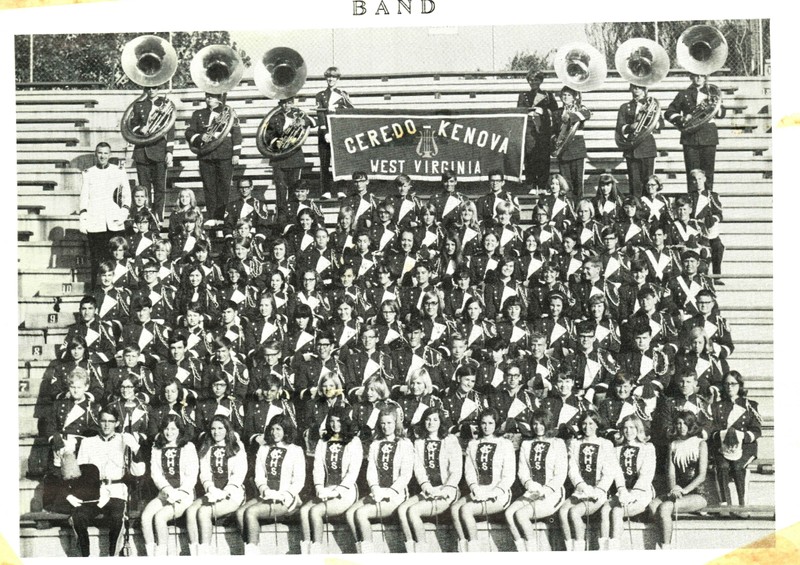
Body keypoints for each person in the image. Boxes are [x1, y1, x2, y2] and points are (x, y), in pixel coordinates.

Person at [66, 407, 145, 557]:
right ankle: (85, 556)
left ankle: (111, 556)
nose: (106, 425)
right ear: (98, 422)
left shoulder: (124, 440)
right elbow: (81, 472)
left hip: (116, 490)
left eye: (111, 421)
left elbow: (139, 471)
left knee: (117, 517)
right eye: (103, 421)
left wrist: (135, 448)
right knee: (79, 516)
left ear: (116, 423)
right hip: (93, 492)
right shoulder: (88, 443)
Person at [345, 404, 414, 553]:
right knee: (350, 514)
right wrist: (375, 489)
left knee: (361, 513)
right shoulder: (375, 444)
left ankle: (369, 555)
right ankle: (362, 550)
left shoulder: (405, 444)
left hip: (396, 495)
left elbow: (406, 475)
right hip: (377, 492)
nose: (385, 426)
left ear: (396, 423)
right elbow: (371, 471)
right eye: (382, 423)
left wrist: (388, 492)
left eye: (389, 423)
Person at [237, 414, 306, 555]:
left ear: (286, 430)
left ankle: (252, 553)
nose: (275, 433)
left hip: (286, 498)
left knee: (251, 512)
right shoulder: (263, 449)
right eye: (272, 429)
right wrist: (265, 489)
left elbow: (299, 480)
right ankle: (251, 548)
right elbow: (259, 476)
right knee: (239, 513)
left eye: (279, 429)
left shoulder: (295, 450)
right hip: (266, 494)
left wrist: (285, 494)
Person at [397, 406, 462, 553]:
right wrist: (427, 487)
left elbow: (456, 470)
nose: (431, 423)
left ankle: (422, 552)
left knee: (413, 512)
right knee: (402, 510)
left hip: (448, 491)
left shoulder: (450, 440)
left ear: (441, 422)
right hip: (429, 490)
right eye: (427, 419)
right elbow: (419, 469)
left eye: (435, 419)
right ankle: (411, 551)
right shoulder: (419, 442)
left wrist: (446, 489)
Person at [299, 406, 363, 554]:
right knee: (304, 510)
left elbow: (353, 472)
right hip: (326, 490)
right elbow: (318, 468)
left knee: (315, 512)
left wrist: (337, 490)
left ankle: (316, 551)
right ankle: (306, 553)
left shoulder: (354, 442)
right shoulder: (323, 441)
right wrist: (320, 488)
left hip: (345, 492)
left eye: (339, 421)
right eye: (332, 421)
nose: (335, 425)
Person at [450, 408, 515, 552]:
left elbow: (509, 475)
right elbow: (470, 471)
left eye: (491, 423)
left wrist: (493, 493)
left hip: (499, 495)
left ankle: (474, 550)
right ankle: (463, 547)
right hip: (479, 491)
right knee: (455, 509)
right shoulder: (473, 444)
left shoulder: (505, 444)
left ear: (496, 424)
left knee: (466, 510)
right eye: (483, 423)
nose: (487, 427)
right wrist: (475, 488)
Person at [505, 409, 568, 552]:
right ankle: (523, 551)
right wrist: (529, 484)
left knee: (521, 515)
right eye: (534, 423)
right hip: (532, 491)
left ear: (548, 424)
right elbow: (522, 471)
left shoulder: (557, 443)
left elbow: (560, 474)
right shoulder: (527, 444)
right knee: (509, 514)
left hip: (553, 493)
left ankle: (533, 553)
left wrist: (545, 490)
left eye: (541, 423)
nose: (538, 427)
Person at [185, 415, 247, 556]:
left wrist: (226, 492)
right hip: (213, 492)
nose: (216, 432)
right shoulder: (207, 446)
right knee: (190, 511)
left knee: (204, 512)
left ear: (227, 429)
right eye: (213, 428)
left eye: (220, 428)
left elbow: (239, 473)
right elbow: (205, 473)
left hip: (233, 494)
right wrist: (211, 489)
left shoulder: (236, 446)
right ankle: (195, 554)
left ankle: (205, 552)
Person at [648, 410, 709, 550]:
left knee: (665, 508)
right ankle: (663, 539)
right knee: (652, 506)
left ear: (691, 424)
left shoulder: (701, 443)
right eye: (678, 423)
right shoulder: (673, 444)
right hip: (677, 492)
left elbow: (702, 476)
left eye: (684, 423)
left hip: (698, 493)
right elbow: (671, 472)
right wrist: (674, 488)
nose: (681, 426)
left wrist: (684, 490)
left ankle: (666, 548)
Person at [557, 410, 617, 551]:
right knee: (562, 511)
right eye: (584, 423)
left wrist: (598, 490)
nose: (587, 427)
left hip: (599, 492)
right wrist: (583, 486)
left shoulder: (605, 444)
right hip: (581, 490)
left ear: (597, 425)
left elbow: (609, 473)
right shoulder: (575, 443)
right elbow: (572, 469)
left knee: (574, 512)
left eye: (591, 423)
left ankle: (580, 550)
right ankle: (571, 549)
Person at [141, 413, 199, 556]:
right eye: (166, 429)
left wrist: (180, 492)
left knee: (160, 517)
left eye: (173, 429)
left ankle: (162, 555)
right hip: (164, 493)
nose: (169, 432)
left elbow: (193, 474)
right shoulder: (157, 447)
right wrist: (167, 490)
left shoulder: (188, 446)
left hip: (183, 495)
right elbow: (156, 473)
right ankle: (151, 555)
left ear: (179, 430)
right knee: (145, 516)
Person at [598, 414, 656, 550]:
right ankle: (603, 550)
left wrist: (632, 495)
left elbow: (646, 475)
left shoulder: (647, 448)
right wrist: (622, 491)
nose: (628, 431)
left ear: (638, 429)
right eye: (625, 428)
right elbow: (617, 472)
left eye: (632, 427)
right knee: (605, 509)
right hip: (622, 492)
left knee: (617, 511)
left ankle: (614, 549)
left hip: (641, 493)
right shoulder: (616, 450)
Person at [79, 142, 131, 289]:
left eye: (106, 153)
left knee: (116, 258)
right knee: (97, 261)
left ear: (110, 154)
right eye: (100, 153)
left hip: (114, 222)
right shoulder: (88, 173)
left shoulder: (118, 171)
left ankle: (119, 290)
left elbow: (127, 194)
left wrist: (123, 213)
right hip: (95, 223)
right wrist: (83, 218)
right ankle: (97, 293)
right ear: (96, 154)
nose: (103, 156)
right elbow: (84, 197)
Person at [185, 91, 242, 223]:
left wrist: (236, 154)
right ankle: (211, 218)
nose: (209, 98)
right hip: (206, 155)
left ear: (219, 98)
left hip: (224, 154)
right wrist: (200, 137)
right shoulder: (198, 114)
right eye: (207, 96)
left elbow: (236, 133)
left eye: (212, 96)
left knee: (224, 187)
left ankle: (222, 218)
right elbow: (189, 132)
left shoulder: (228, 113)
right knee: (209, 187)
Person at [664, 73, 726, 191]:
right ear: (691, 77)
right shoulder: (684, 94)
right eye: (695, 75)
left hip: (708, 136)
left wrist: (714, 105)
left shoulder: (712, 94)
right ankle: (692, 203)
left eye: (702, 75)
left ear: (705, 77)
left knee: (708, 173)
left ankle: (707, 203)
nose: (698, 78)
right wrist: (681, 118)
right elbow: (668, 113)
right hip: (690, 137)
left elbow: (722, 114)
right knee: (692, 173)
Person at [709, 370, 762, 506]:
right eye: (726, 384)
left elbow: (756, 430)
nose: (729, 387)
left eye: (733, 383)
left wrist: (740, 436)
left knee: (738, 466)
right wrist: (722, 435)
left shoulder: (750, 405)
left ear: (740, 385)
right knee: (722, 466)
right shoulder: (716, 406)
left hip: (745, 446)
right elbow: (712, 430)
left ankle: (743, 504)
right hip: (722, 445)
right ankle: (725, 505)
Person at [129, 83, 174, 222]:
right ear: (145, 89)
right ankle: (145, 216)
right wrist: (140, 128)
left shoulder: (166, 104)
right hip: (142, 151)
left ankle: (158, 216)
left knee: (160, 188)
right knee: (144, 187)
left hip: (159, 151)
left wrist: (169, 151)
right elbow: (132, 125)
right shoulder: (139, 105)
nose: (151, 90)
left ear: (158, 89)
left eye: (154, 87)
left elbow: (171, 129)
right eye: (148, 88)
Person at [263, 96, 316, 212]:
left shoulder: (299, 114)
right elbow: (268, 135)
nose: (287, 106)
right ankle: (281, 214)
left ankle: (294, 213)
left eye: (289, 103)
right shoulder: (275, 117)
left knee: (295, 188)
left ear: (293, 103)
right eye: (284, 103)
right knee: (280, 188)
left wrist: (304, 121)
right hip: (279, 159)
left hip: (294, 158)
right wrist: (276, 142)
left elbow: (314, 122)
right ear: (280, 104)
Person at [615, 83, 663, 197]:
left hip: (647, 146)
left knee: (649, 182)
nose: (637, 89)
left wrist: (650, 120)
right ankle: (636, 208)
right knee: (634, 182)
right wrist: (630, 127)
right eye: (634, 87)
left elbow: (661, 124)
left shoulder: (653, 105)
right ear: (630, 88)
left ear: (644, 89)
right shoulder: (624, 107)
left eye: (640, 87)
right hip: (632, 147)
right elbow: (619, 127)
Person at [517, 69, 559, 194]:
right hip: (529, 130)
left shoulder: (548, 95)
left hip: (543, 131)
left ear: (541, 81)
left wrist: (543, 111)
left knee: (543, 158)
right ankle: (530, 183)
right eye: (531, 80)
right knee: (529, 156)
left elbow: (556, 113)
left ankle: (542, 185)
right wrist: (527, 112)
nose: (533, 82)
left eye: (536, 79)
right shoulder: (523, 95)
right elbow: (518, 112)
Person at [316, 66, 353, 199]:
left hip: (338, 133)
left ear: (337, 79)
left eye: (333, 77)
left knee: (340, 162)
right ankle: (325, 191)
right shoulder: (320, 95)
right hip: (324, 135)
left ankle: (341, 189)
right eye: (328, 77)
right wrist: (325, 132)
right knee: (324, 163)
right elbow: (320, 115)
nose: (331, 79)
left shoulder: (343, 94)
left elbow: (350, 112)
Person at [553, 86, 591, 202]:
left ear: (574, 97)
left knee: (578, 182)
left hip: (577, 151)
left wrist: (570, 116)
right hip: (563, 152)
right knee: (565, 183)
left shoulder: (580, 108)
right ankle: (568, 210)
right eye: (564, 95)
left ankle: (579, 207)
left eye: (569, 95)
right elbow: (553, 131)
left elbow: (587, 114)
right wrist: (555, 140)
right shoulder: (557, 112)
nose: (566, 97)